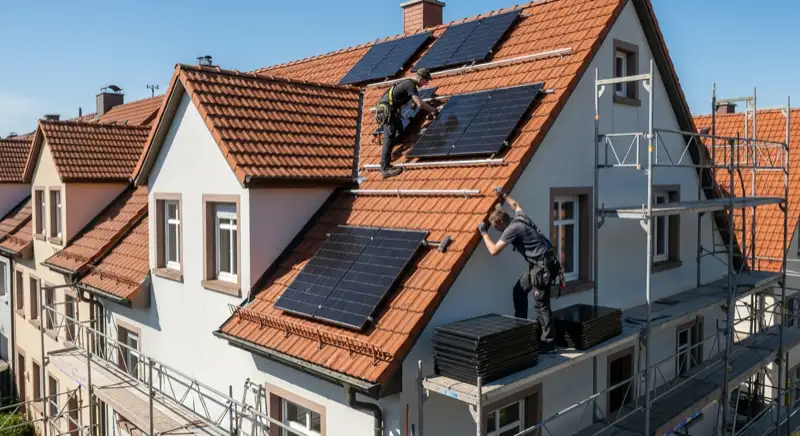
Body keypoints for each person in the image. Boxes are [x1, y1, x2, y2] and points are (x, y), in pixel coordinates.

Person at [477, 187, 563, 351]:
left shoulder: (512, 230)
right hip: (538, 264)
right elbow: (516, 205)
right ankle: (522, 329)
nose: (498, 231)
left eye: (497, 228)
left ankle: (548, 343)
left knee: (541, 305)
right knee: (519, 290)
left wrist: (483, 233)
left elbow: (494, 250)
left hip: (542, 268)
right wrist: (504, 195)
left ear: (502, 223)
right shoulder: (520, 217)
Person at [376, 68, 439, 179]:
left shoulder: (408, 84)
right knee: (389, 137)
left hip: (392, 111)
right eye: (426, 80)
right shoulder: (410, 85)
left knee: (401, 132)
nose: (427, 83)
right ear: (420, 78)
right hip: (387, 111)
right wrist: (434, 110)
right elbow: (420, 104)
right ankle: (384, 169)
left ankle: (388, 155)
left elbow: (410, 102)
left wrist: (413, 105)